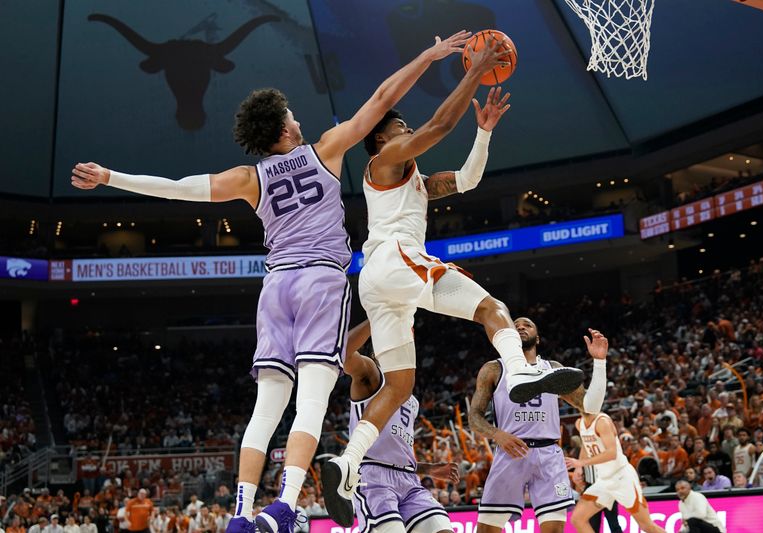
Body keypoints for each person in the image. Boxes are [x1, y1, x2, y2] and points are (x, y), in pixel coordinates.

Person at [71, 30, 472, 533]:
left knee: (266, 407)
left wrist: (111, 176)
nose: (299, 119)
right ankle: (284, 504)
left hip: (276, 287)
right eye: (292, 116)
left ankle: (240, 513)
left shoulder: (249, 178)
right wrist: (428, 55)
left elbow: (177, 190)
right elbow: (382, 99)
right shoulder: (325, 150)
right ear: (283, 130)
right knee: (312, 399)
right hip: (321, 282)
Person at [323, 36, 584, 526]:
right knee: (492, 309)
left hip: (379, 281)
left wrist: (483, 132)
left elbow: (466, 179)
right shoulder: (384, 160)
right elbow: (440, 124)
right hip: (397, 259)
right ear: (382, 137)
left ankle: (345, 464)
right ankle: (523, 372)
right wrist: (475, 70)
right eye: (399, 124)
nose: (405, 127)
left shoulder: (411, 177)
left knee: (399, 386)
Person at [468, 321, 609, 533]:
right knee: (487, 530)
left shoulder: (553, 369)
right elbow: (474, 417)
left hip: (548, 455)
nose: (521, 327)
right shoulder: (494, 369)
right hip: (510, 452)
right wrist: (497, 435)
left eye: (528, 325)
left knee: (554, 530)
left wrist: (599, 363)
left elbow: (591, 406)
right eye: (515, 325)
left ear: (538, 337)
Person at [342, 320, 459, 533]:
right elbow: (344, 354)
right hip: (373, 476)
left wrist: (428, 469)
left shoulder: (410, 398)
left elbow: (396, 450)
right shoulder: (372, 373)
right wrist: (378, 318)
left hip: (409, 480)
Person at [566, 410, 667, 533]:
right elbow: (586, 446)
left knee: (647, 526)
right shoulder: (579, 423)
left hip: (621, 477)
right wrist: (579, 468)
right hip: (603, 480)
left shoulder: (602, 421)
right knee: (577, 519)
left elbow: (611, 454)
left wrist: (582, 463)